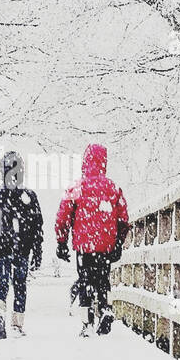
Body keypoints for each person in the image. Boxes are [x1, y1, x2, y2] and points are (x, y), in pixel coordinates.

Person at [55, 143, 129, 336]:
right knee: (103, 279)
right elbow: (123, 218)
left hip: (84, 245)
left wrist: (61, 242)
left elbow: (63, 216)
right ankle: (105, 308)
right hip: (106, 245)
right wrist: (119, 241)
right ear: (104, 162)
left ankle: (86, 323)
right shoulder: (112, 187)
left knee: (85, 280)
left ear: (85, 162)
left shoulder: (77, 187)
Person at [0, 151, 43, 339]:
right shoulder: (29, 196)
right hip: (22, 249)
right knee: (20, 285)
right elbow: (37, 227)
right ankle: (16, 324)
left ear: (2, 171)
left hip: (1, 248)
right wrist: (37, 252)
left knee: (1, 283)